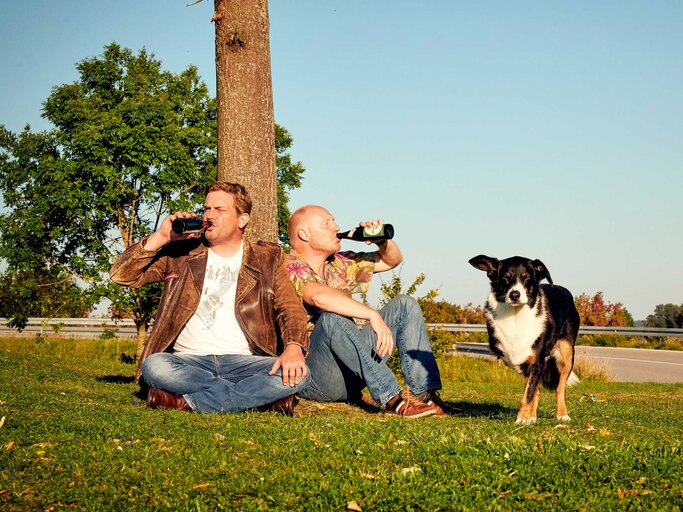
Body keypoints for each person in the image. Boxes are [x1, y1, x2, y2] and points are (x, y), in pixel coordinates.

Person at [109, 182, 310, 416]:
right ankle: (257, 399)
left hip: (244, 363)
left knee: (300, 374)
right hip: (187, 361)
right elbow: (121, 276)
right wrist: (162, 237)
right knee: (154, 366)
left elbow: (291, 308)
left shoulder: (268, 258)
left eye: (219, 210)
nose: (209, 215)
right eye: (207, 209)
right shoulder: (181, 253)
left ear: (242, 220)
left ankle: (185, 402)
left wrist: (294, 348)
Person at [286, 205, 459, 418]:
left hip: (351, 370)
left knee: (405, 304)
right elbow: (316, 296)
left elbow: (391, 260)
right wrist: (371, 314)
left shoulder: (340, 263)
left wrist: (382, 241)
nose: (336, 227)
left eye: (334, 221)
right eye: (327, 223)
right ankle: (392, 399)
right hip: (315, 378)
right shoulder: (287, 264)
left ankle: (425, 395)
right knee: (331, 318)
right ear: (304, 234)